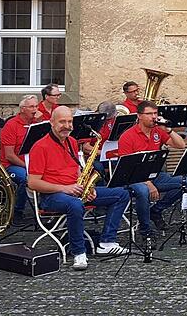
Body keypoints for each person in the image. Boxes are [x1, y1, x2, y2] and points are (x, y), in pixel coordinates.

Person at [28, 106, 130, 271]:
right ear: (52, 123)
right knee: (74, 205)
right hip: (52, 196)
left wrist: (89, 187)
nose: (67, 126)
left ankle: (107, 243)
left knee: (122, 194)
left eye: (69, 122)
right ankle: (79, 252)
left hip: (75, 189)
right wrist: (65, 188)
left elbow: (77, 169)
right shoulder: (40, 147)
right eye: (62, 122)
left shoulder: (72, 142)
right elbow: (33, 183)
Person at [116, 100, 187, 235]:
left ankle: (155, 211)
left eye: (155, 113)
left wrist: (169, 130)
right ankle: (145, 231)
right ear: (139, 116)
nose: (154, 117)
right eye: (149, 114)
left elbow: (181, 145)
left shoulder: (157, 131)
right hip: (134, 178)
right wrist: (149, 184)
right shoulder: (127, 136)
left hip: (154, 175)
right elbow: (127, 167)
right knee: (143, 191)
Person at [0, 94, 41, 225]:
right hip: (11, 165)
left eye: (36, 106)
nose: (35, 110)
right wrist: (28, 167)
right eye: (31, 107)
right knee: (25, 178)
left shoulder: (36, 123)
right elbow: (9, 155)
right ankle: (17, 211)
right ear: (22, 109)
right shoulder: (11, 126)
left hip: (30, 161)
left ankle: (46, 209)